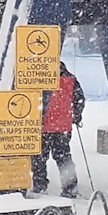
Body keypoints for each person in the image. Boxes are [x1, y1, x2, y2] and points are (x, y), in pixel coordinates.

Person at [31, 60, 84, 199]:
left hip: (43, 125)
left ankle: (39, 185)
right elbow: (79, 99)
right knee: (64, 157)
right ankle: (70, 187)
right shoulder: (71, 80)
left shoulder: (42, 79)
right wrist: (76, 116)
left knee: (39, 158)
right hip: (63, 127)